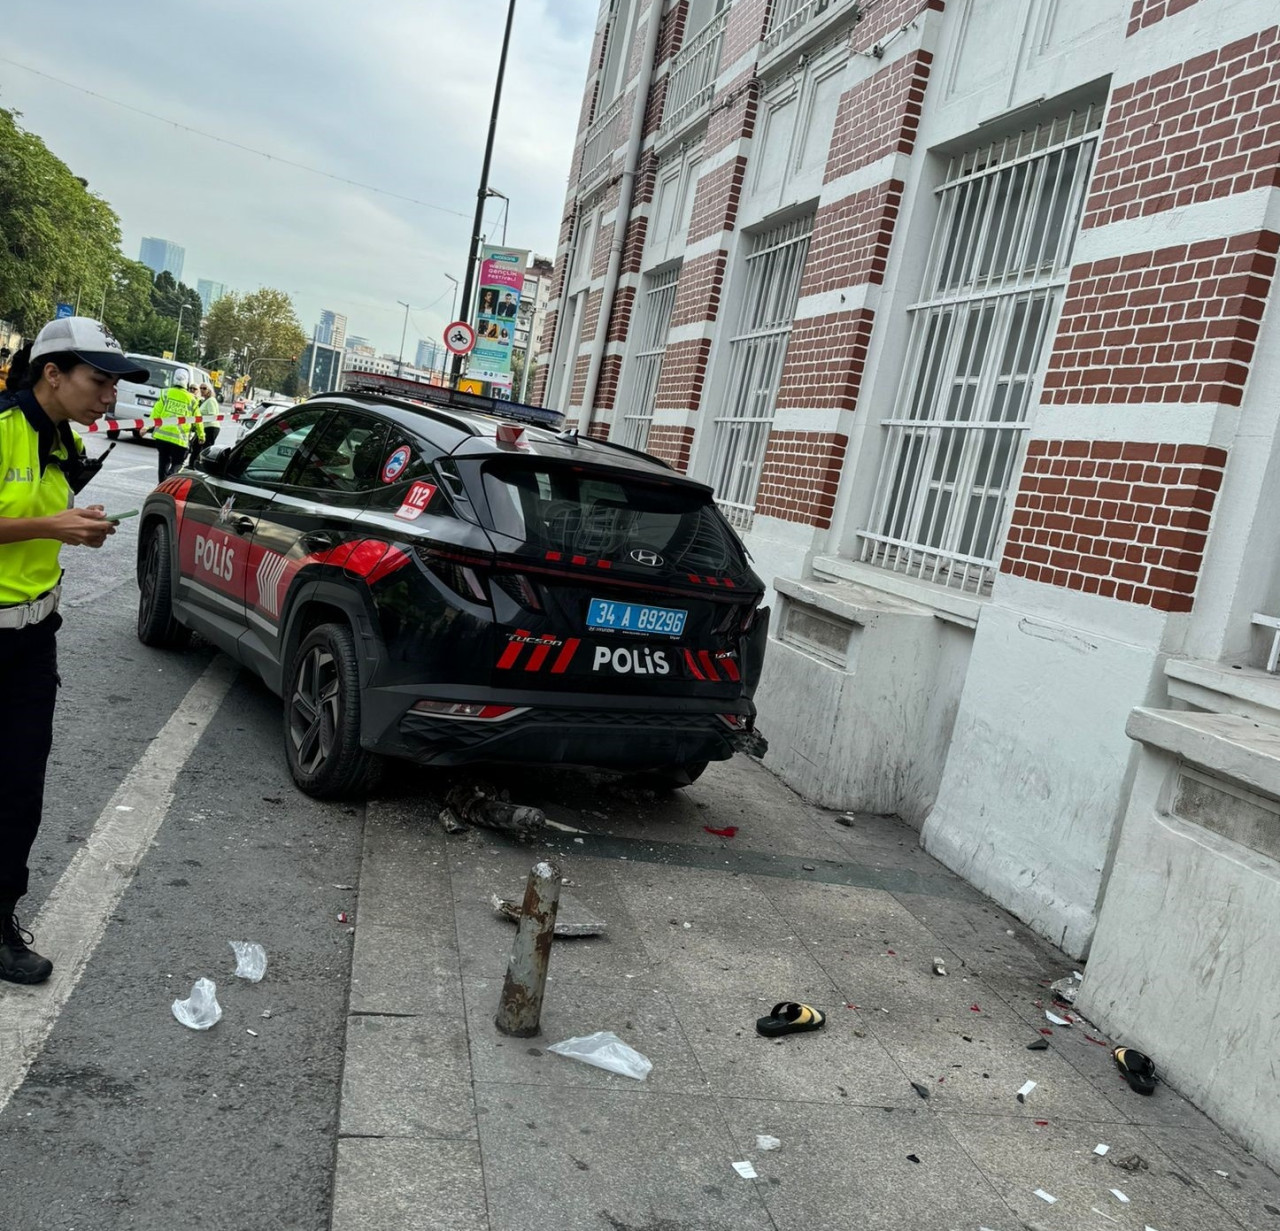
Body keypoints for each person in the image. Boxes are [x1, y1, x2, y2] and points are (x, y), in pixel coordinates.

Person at [0, 315, 147, 983]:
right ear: (51, 373)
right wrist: (48, 524)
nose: (110, 394)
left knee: (18, 788)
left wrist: (73, 529)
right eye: (99, 379)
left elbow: (40, 527)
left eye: (115, 382)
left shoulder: (60, 438)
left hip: (32, 640)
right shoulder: (4, 425)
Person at [150, 368, 202, 481]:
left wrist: (146, 426)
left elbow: (156, 412)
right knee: (178, 463)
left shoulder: (165, 393)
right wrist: (201, 436)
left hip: (162, 436)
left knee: (163, 461)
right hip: (180, 439)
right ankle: (168, 481)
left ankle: (161, 485)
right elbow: (198, 419)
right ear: (187, 382)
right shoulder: (192, 399)